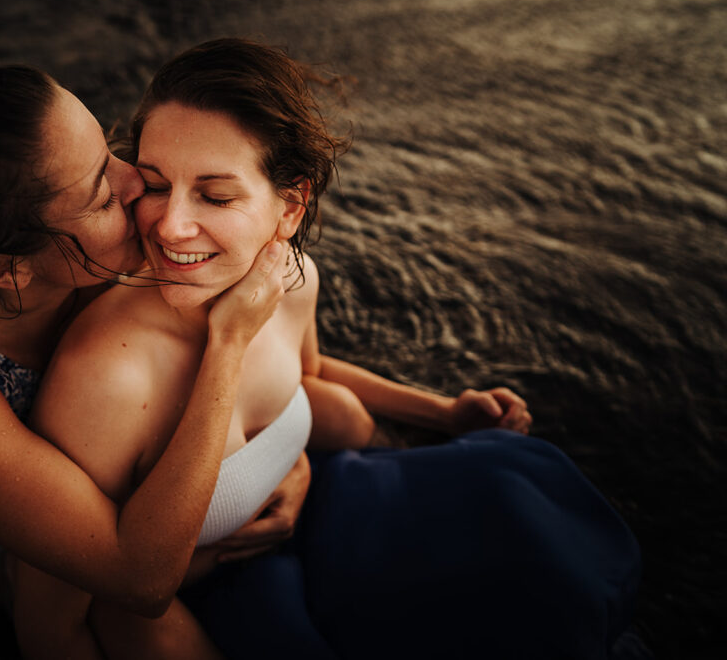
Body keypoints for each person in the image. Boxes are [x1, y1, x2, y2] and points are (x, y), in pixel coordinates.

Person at [33, 38, 641, 659]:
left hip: (321, 511)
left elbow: (309, 375)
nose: (170, 226)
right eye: (156, 185)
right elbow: (55, 619)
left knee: (530, 545)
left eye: (215, 196)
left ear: (289, 208)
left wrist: (443, 412)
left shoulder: (292, 278)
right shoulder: (107, 375)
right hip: (204, 602)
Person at [0, 65, 312, 657]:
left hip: (143, 468)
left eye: (109, 148)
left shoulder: (103, 242)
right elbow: (131, 580)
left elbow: (287, 358)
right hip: (42, 553)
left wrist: (286, 459)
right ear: (5, 269)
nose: (137, 183)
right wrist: (226, 349)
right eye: (102, 191)